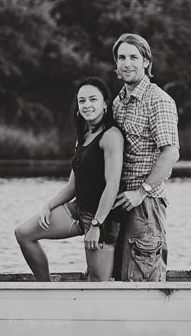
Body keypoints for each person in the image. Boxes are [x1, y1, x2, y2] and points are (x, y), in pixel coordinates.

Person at [14, 77, 124, 281]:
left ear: (105, 104)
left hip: (102, 218)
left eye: (93, 99)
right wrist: (48, 205)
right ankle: (46, 288)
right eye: (82, 101)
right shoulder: (83, 136)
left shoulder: (111, 136)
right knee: (24, 233)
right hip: (78, 210)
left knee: (97, 285)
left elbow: (113, 185)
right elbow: (73, 185)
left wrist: (96, 226)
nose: (87, 105)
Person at [110, 33, 180, 282]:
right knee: (114, 275)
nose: (127, 63)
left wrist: (142, 191)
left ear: (146, 62)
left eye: (133, 57)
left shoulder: (158, 100)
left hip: (145, 204)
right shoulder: (118, 102)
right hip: (117, 202)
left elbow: (171, 152)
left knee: (141, 278)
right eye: (121, 58)